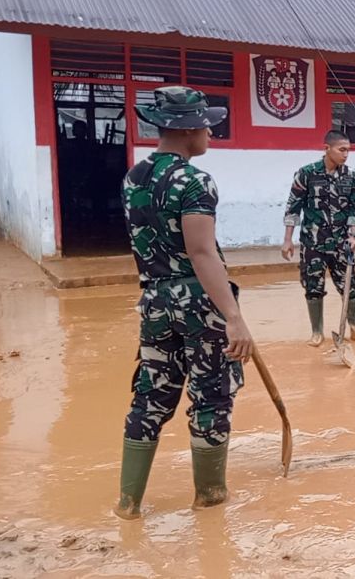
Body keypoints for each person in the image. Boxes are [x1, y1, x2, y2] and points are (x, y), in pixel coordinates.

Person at [116, 86, 255, 519]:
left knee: (150, 396)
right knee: (211, 397)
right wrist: (233, 317)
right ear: (189, 128)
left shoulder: (133, 177)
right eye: (206, 125)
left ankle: (128, 504)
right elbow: (201, 253)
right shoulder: (194, 180)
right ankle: (209, 499)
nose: (211, 132)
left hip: (154, 301)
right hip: (199, 304)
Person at [281, 130, 355, 347]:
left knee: (349, 287)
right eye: (342, 150)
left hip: (342, 243)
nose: (346, 154)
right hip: (313, 243)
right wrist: (288, 240)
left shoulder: (352, 176)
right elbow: (293, 207)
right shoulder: (306, 173)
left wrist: (353, 236)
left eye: (348, 150)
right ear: (327, 148)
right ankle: (317, 332)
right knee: (313, 287)